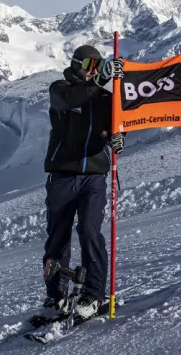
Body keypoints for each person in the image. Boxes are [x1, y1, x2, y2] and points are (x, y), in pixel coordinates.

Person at [42, 44, 124, 319]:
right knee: (58, 237)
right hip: (63, 174)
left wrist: (118, 138)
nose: (94, 72)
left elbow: (117, 126)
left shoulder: (105, 98)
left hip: (95, 176)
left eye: (98, 67)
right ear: (77, 64)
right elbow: (71, 101)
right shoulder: (60, 89)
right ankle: (56, 296)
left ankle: (94, 295)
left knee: (90, 232)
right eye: (90, 66)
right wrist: (100, 80)